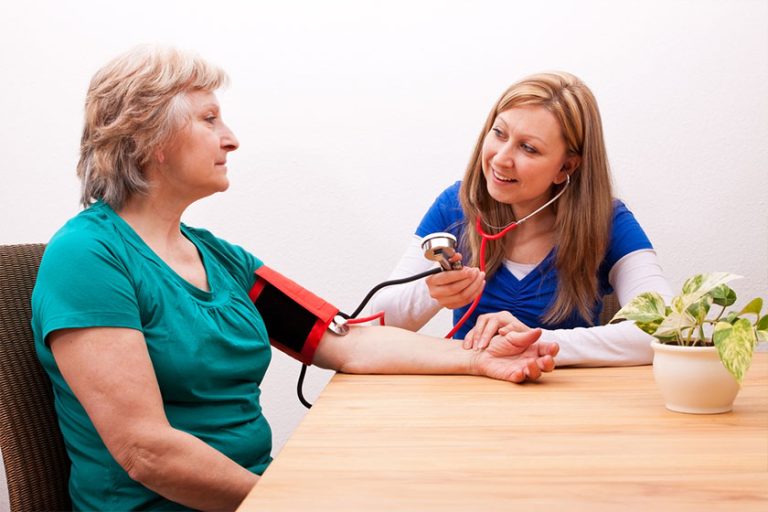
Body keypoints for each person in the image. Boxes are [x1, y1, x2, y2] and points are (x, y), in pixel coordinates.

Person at [30, 46, 559, 511]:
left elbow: (346, 343)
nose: (231, 138)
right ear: (151, 139)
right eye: (209, 119)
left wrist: (475, 359)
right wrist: (288, 500)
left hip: (259, 493)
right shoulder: (88, 257)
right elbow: (147, 451)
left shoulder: (219, 258)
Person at [370, 71, 673, 367]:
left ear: (565, 167)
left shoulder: (607, 222)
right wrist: (431, 293)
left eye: (528, 148)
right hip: (465, 402)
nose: (501, 157)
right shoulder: (456, 206)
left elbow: (666, 329)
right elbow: (375, 326)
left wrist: (537, 342)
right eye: (499, 133)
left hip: (565, 405)